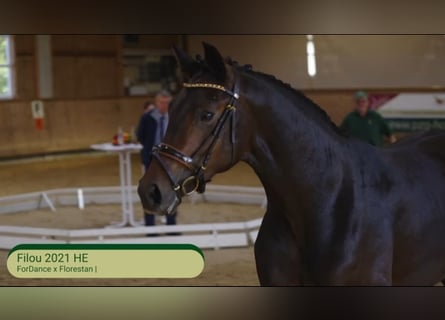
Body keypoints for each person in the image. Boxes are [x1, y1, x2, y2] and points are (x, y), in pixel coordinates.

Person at [136, 90, 180, 233]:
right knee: (149, 191)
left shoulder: (175, 118)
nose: (165, 105)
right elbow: (140, 135)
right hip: (151, 159)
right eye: (162, 102)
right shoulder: (147, 117)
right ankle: (150, 227)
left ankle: (171, 225)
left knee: (172, 192)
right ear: (156, 103)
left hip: (170, 161)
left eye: (167, 103)